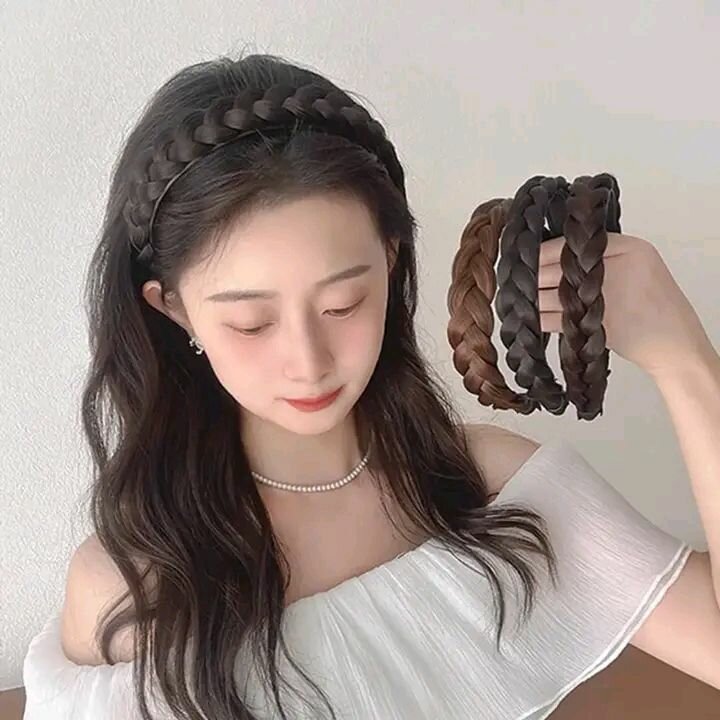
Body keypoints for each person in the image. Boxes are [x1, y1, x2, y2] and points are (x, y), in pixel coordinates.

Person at [20, 51, 720, 719]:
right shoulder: (136, 593)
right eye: (252, 323)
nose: (308, 361)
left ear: (390, 260)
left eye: (342, 305)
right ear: (173, 309)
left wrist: (683, 360)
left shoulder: (487, 488)